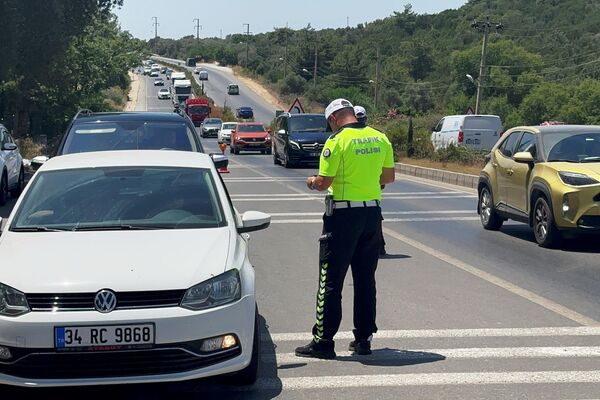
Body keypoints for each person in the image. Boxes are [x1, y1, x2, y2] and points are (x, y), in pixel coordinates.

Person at [295, 98, 395, 359]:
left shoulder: (336, 141)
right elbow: (388, 177)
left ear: (333, 119)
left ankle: (323, 341)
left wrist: (311, 182)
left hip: (342, 216)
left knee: (330, 280)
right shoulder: (380, 137)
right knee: (365, 279)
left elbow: (323, 181)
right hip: (372, 215)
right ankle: (363, 339)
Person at [354, 105, 388, 256]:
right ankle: (378, 246)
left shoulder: (345, 137)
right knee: (374, 218)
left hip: (352, 189)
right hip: (373, 187)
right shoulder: (378, 136)